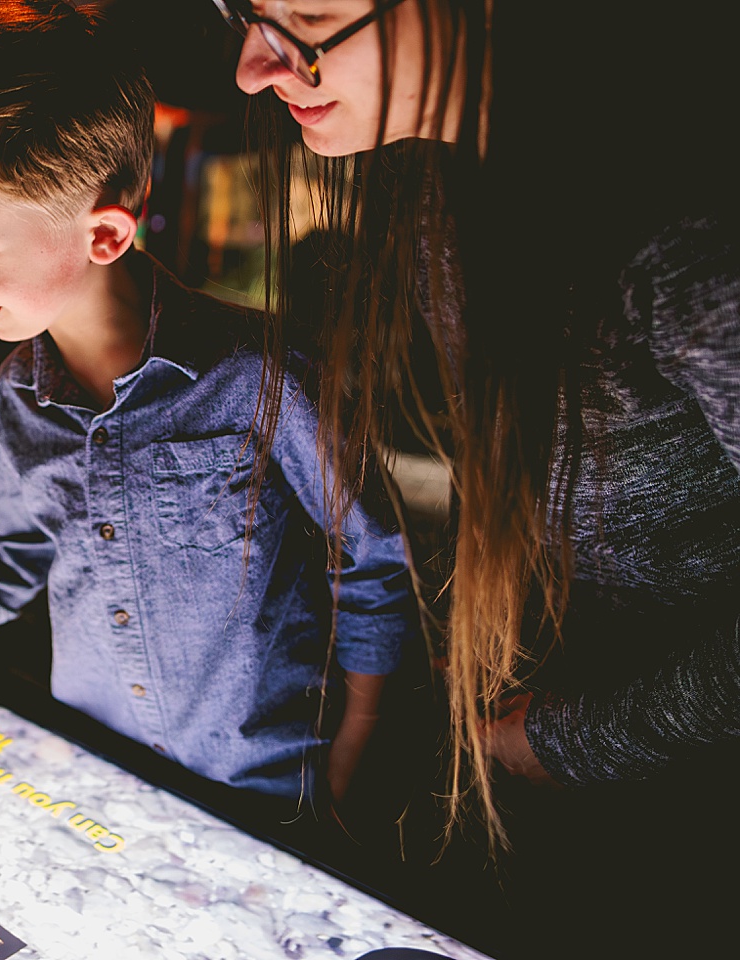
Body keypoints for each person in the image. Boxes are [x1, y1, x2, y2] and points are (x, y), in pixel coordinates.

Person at [0, 0, 419, 817]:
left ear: (106, 233)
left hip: (267, 784)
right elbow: (12, 556)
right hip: (93, 774)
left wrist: (361, 734)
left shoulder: (263, 374)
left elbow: (371, 558)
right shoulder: (18, 393)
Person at [213, 0, 740, 954]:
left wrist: (576, 739)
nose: (254, 66)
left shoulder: (692, 229)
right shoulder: (435, 181)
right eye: (244, 13)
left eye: (307, 16)